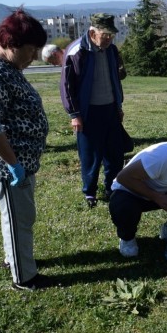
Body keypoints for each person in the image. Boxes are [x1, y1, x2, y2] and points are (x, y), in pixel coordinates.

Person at [0, 8, 53, 291]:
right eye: (31, 50)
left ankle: (13, 259)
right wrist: (13, 163)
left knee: (16, 216)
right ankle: (24, 277)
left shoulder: (7, 65)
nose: (34, 56)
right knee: (20, 220)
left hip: (19, 159)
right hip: (7, 163)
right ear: (11, 44)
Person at [60, 13, 126, 208]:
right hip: (88, 113)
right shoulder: (76, 51)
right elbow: (66, 85)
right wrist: (74, 114)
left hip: (110, 109)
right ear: (92, 32)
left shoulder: (112, 50)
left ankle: (112, 187)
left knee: (114, 154)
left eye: (111, 35)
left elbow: (115, 79)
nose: (109, 39)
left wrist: (118, 106)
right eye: (105, 35)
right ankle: (89, 192)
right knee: (90, 155)